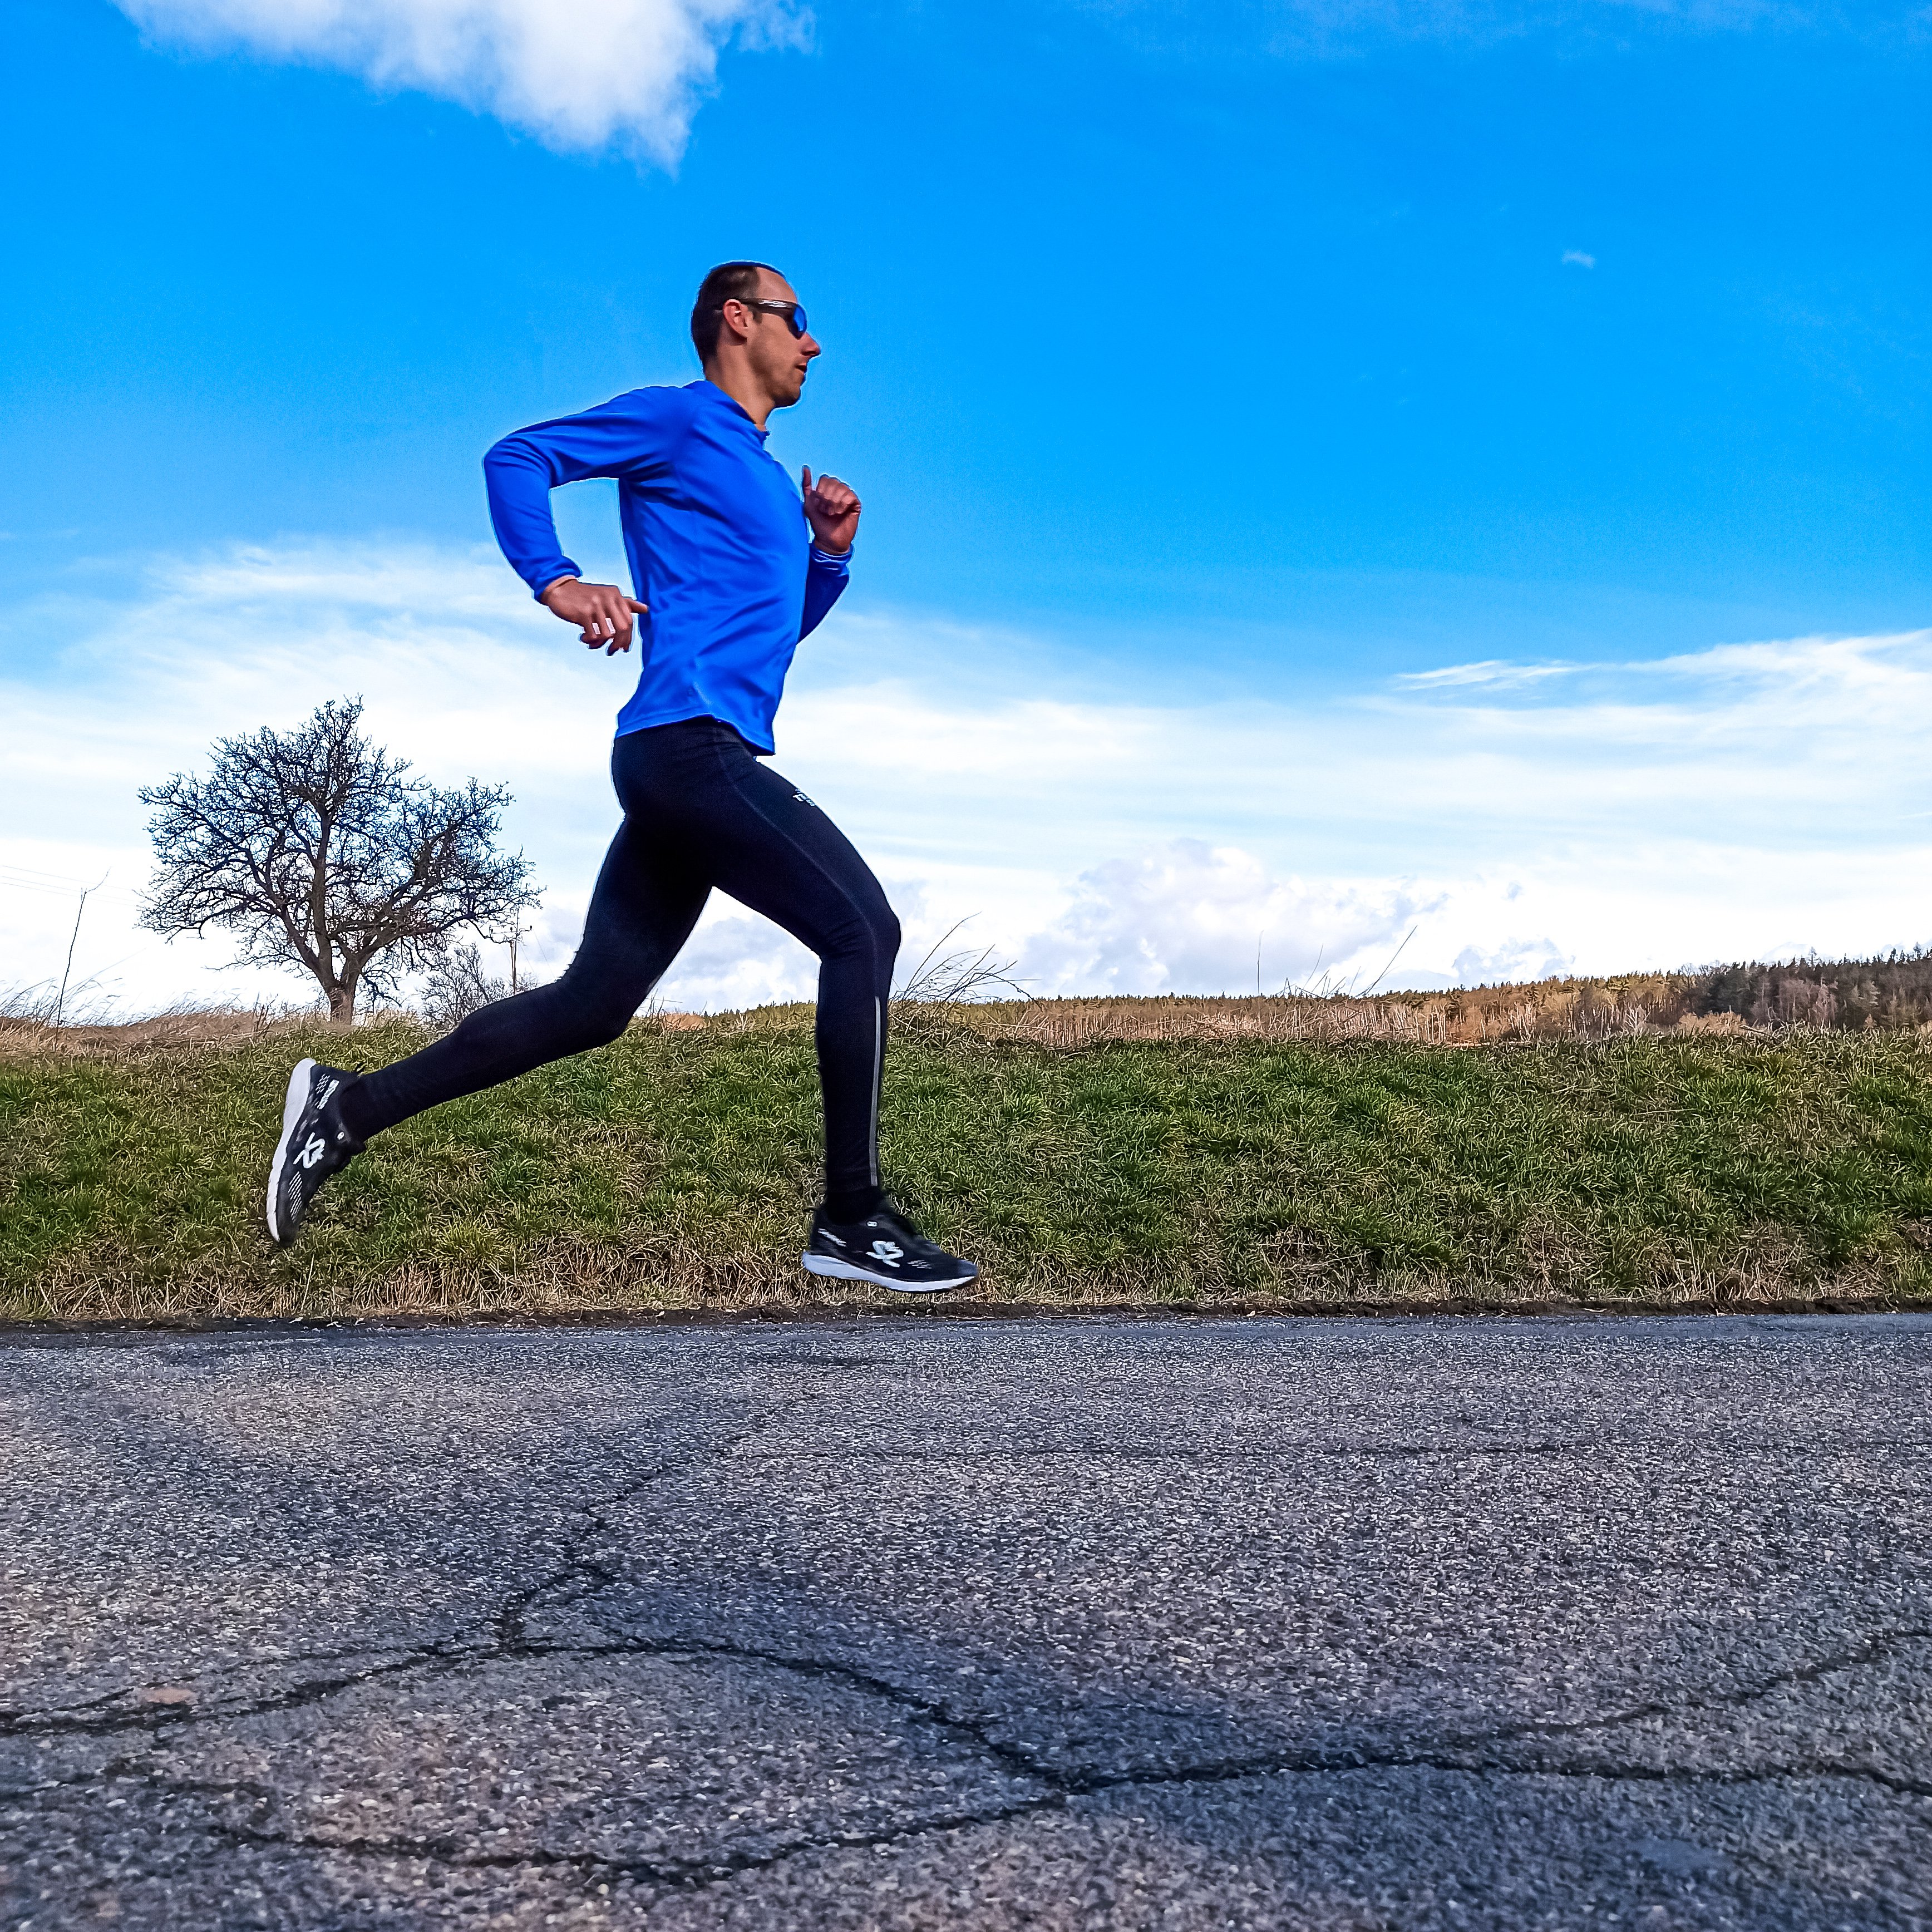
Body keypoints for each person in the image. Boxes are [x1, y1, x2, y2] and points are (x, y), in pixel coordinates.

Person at [264, 261, 978, 1294]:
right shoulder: (679, 420)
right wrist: (554, 579)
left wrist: (828, 555)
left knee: (594, 1003)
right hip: (687, 751)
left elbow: (771, 636)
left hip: (692, 755)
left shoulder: (766, 478)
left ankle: (347, 1110)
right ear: (738, 320)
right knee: (863, 930)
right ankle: (852, 1214)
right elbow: (517, 456)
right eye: (797, 319)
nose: (813, 343)